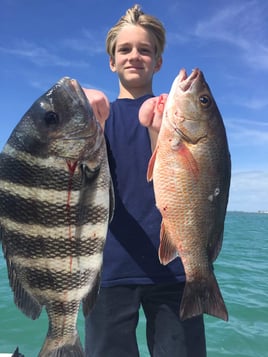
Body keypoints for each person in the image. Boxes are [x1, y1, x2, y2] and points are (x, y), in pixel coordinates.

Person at [83, 4, 206, 357]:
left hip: (176, 270)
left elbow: (179, 183)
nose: (134, 56)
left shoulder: (180, 115)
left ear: (158, 62)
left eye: (145, 50)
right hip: (107, 269)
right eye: (125, 49)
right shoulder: (96, 116)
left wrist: (158, 133)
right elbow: (83, 183)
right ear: (111, 61)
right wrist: (77, 109)